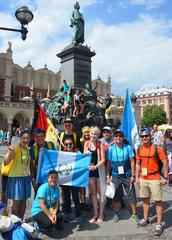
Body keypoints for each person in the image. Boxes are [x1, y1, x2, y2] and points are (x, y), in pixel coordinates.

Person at [136, 128, 168, 236]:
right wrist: (136, 177)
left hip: (155, 178)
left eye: (146, 136)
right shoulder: (139, 148)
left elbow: (165, 162)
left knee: (158, 201)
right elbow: (138, 164)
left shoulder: (157, 148)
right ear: (140, 138)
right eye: (142, 136)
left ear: (150, 136)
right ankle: (146, 219)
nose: (144, 138)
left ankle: (159, 224)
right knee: (145, 200)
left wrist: (165, 176)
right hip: (143, 178)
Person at [106, 129, 137, 223]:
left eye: (120, 136)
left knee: (131, 195)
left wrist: (133, 174)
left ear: (123, 138)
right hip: (115, 176)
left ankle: (134, 214)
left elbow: (132, 161)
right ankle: (117, 213)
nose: (118, 137)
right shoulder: (111, 149)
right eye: (116, 136)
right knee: (116, 196)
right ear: (114, 138)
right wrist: (108, 176)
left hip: (127, 175)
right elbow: (108, 163)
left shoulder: (128, 147)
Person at [4, 129, 31, 219]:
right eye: (24, 138)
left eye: (27, 138)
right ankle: (15, 224)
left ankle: (21, 222)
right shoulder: (15, 148)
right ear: (20, 138)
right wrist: (10, 153)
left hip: (25, 178)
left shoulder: (27, 149)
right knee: (16, 203)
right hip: (16, 179)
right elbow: (6, 163)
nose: (25, 140)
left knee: (24, 202)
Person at [84, 126, 106, 224]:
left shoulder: (100, 144)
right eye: (92, 133)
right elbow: (84, 156)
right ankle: (95, 213)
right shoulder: (86, 143)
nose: (93, 135)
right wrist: (85, 153)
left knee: (100, 193)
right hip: (90, 171)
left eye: (95, 134)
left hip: (98, 170)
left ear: (98, 135)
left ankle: (101, 214)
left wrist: (96, 167)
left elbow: (103, 160)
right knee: (93, 193)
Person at [31, 170, 63, 235]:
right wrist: (51, 217)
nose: (53, 180)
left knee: (60, 216)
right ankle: (37, 225)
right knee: (49, 223)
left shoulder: (57, 188)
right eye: (51, 177)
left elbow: (57, 203)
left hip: (49, 209)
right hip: (38, 210)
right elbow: (42, 205)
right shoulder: (43, 188)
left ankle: (50, 224)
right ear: (48, 179)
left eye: (56, 178)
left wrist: (54, 213)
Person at [61, 136, 83, 228]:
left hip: (75, 179)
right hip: (65, 179)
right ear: (64, 146)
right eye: (66, 144)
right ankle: (68, 215)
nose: (68, 145)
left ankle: (78, 217)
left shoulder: (77, 153)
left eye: (70, 144)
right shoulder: (61, 153)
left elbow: (83, 161)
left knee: (75, 198)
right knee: (66, 198)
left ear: (73, 144)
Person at [30, 128, 56, 196]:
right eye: (38, 137)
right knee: (39, 195)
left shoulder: (51, 145)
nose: (40, 138)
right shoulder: (33, 148)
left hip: (50, 176)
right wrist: (33, 179)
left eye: (42, 136)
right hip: (38, 177)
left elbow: (56, 157)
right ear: (35, 138)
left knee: (51, 195)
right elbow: (31, 164)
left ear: (45, 136)